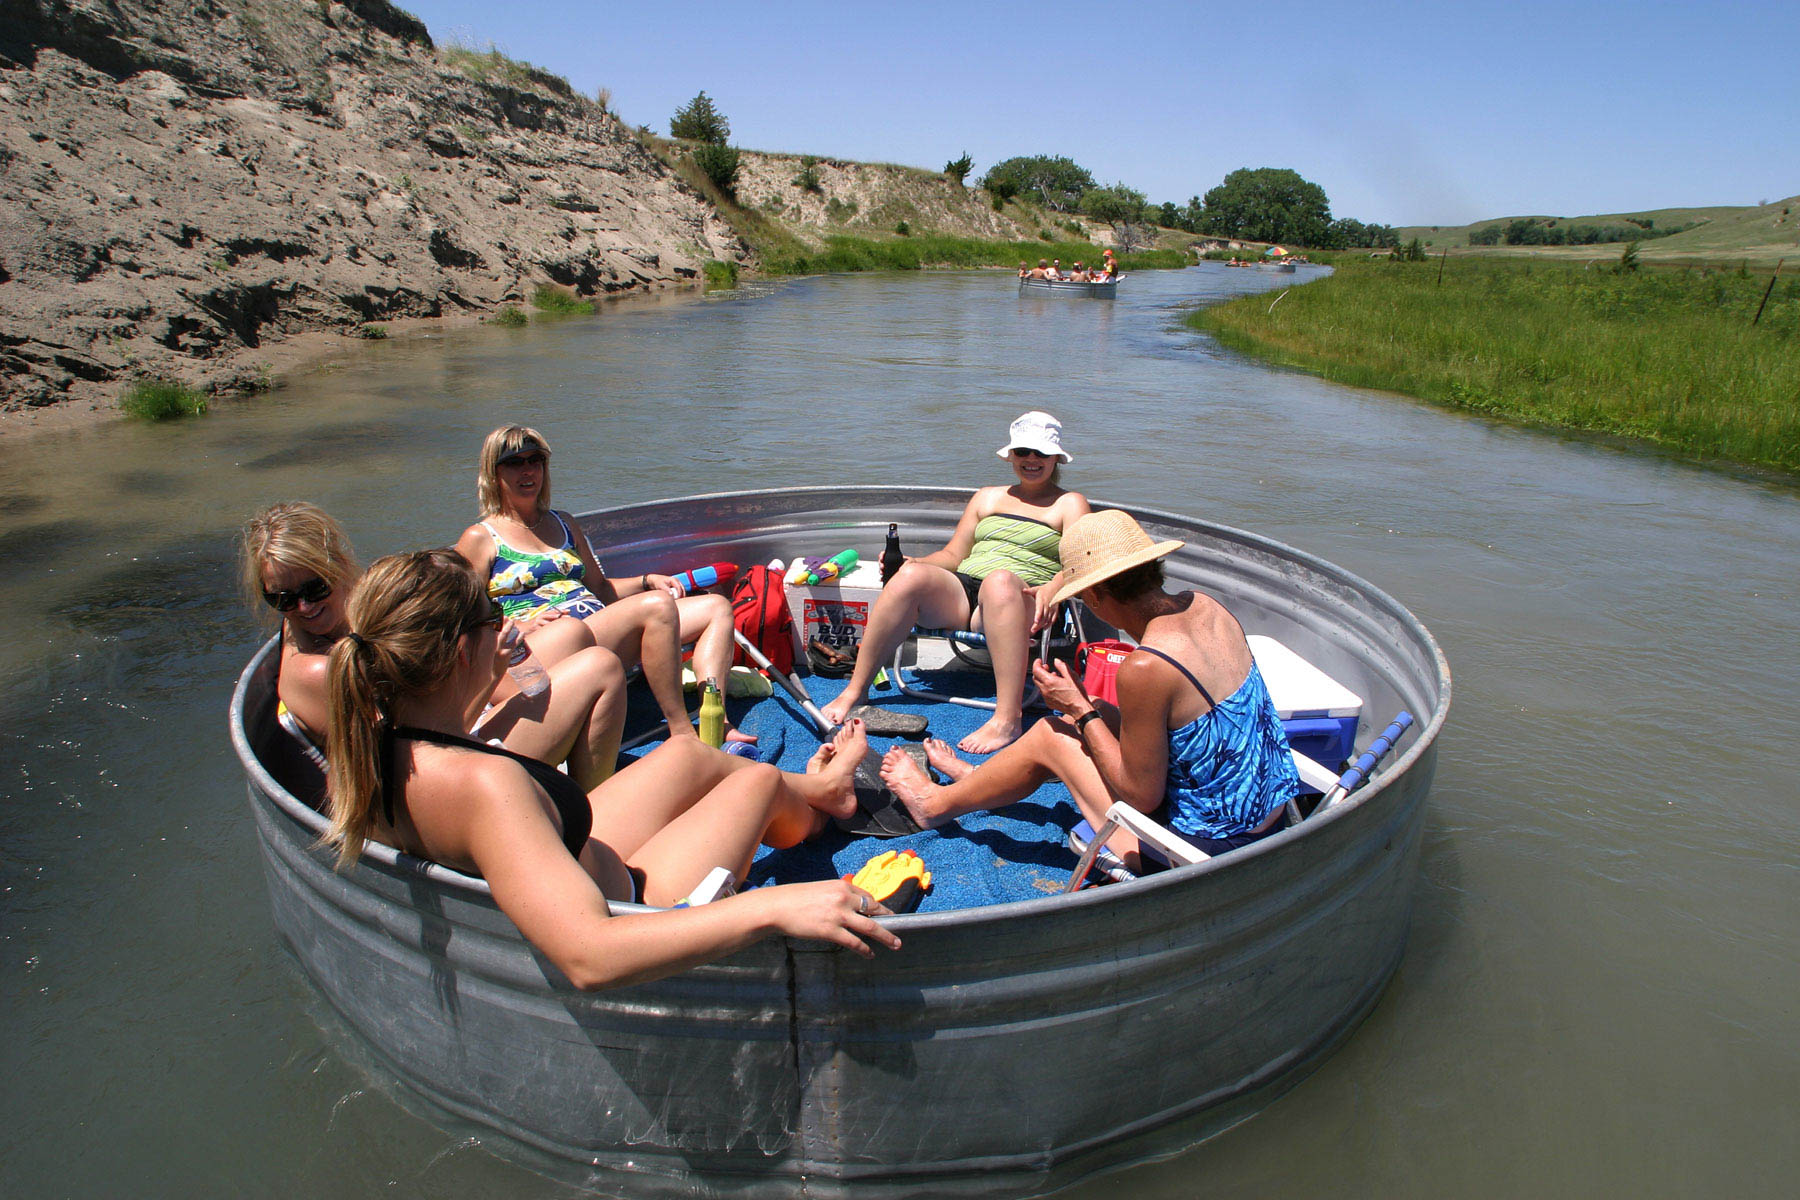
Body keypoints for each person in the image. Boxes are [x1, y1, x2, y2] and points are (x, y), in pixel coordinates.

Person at [323, 548, 898, 991]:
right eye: (494, 614)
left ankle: (822, 786)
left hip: (575, 850)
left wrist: (482, 686)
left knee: (689, 753)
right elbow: (589, 957)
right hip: (636, 902)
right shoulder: (483, 787)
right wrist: (772, 907)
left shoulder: (369, 747)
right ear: (461, 653)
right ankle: (831, 810)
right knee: (758, 780)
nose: (507, 626)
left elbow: (456, 743)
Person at [880, 510, 1301, 869]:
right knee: (1093, 710)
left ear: (1095, 597)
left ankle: (933, 805)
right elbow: (1193, 722)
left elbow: (1140, 796)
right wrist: (1087, 708)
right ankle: (978, 780)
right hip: (1270, 809)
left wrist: (1080, 711)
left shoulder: (1145, 666)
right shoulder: (1207, 606)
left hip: (1204, 848)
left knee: (1052, 733)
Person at [243, 502, 629, 790]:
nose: (303, 607)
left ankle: (573, 783)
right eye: (283, 600)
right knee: (600, 669)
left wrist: (498, 672)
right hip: (429, 784)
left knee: (572, 642)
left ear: (339, 564)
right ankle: (590, 809)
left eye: (314, 589)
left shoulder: (351, 620)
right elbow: (411, 757)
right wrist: (489, 675)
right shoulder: (318, 671)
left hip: (443, 739)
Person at [455, 425, 754, 744]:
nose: (527, 470)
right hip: (542, 647)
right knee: (656, 608)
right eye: (515, 462)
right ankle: (683, 732)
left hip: (597, 628)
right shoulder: (481, 538)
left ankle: (716, 719)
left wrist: (645, 580)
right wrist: (518, 623)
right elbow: (460, 619)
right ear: (493, 471)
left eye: (535, 460)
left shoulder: (563, 523)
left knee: (716, 607)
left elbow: (601, 587)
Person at [817, 411, 1090, 753]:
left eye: (1041, 453)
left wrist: (1053, 588)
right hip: (965, 591)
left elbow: (1082, 562)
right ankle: (857, 690)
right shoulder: (987, 496)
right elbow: (953, 556)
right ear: (1011, 455)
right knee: (910, 577)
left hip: (1021, 596)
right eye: (1023, 452)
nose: (1031, 460)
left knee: (1000, 581)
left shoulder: (1069, 503)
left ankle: (1008, 719)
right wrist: (912, 563)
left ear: (1055, 458)